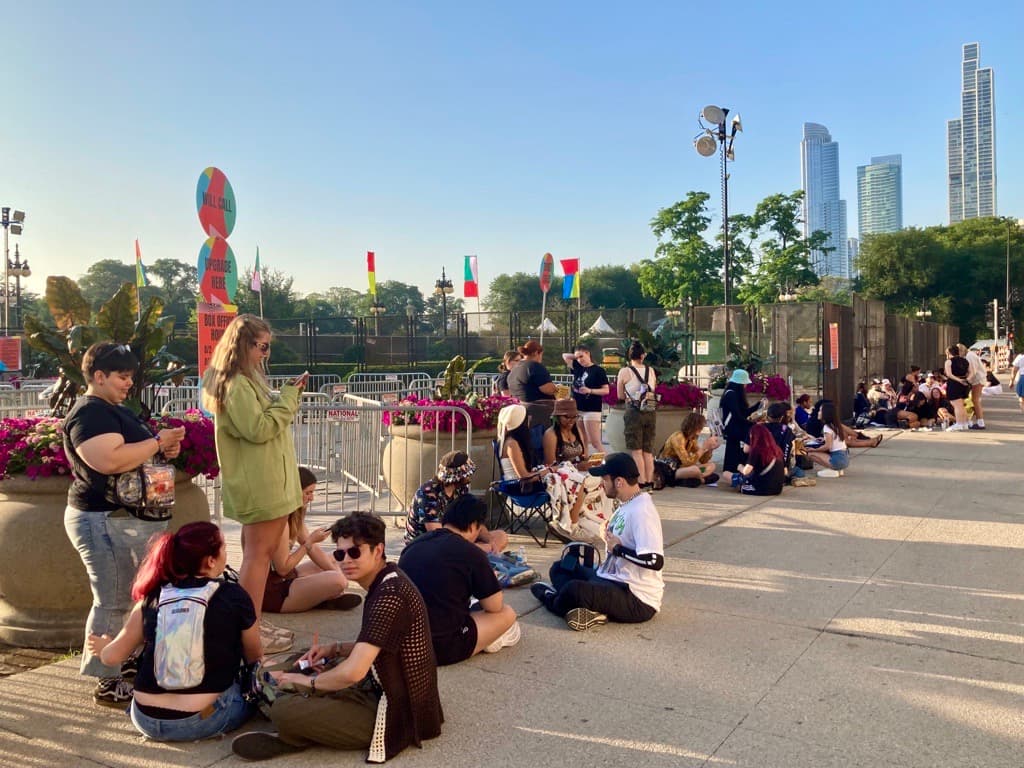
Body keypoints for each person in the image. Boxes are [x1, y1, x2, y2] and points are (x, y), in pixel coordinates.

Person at [231, 512, 443, 763]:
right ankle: (292, 704)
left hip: (395, 711)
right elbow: (383, 645)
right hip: (379, 684)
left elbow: (353, 672)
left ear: (378, 550)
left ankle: (294, 730)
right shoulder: (386, 581)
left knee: (285, 708)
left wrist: (302, 682)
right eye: (340, 554)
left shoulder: (390, 596)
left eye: (355, 552)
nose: (346, 560)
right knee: (306, 659)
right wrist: (335, 649)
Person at [63, 341, 187, 706]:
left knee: (125, 595)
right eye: (121, 376)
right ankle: (106, 679)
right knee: (112, 600)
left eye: (130, 375)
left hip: (121, 518)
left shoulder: (113, 409)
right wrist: (155, 442)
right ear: (98, 376)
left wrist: (165, 446)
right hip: (101, 518)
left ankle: (121, 662)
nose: (128, 382)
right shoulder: (90, 413)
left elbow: (135, 451)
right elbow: (108, 460)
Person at [87, 522, 259, 740]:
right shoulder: (234, 595)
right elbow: (255, 657)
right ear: (211, 560)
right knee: (253, 692)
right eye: (224, 547)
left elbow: (112, 657)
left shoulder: (153, 596)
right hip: (200, 719)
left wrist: (104, 647)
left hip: (144, 718)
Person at [201, 315, 305, 650]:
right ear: (243, 345)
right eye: (261, 346)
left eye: (267, 346)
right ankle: (248, 631)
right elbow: (258, 429)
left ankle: (250, 625)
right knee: (258, 559)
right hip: (263, 485)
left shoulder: (241, 380)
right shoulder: (238, 384)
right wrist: (289, 398)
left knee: (254, 556)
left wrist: (286, 396)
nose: (265, 353)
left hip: (263, 481)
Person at [531, 453, 663, 631]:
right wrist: (606, 535)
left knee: (574, 589)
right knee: (560, 568)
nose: (601, 483)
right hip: (611, 578)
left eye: (604, 479)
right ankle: (589, 610)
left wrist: (618, 549)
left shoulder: (643, 512)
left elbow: (654, 561)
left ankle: (553, 600)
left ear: (619, 482)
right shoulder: (627, 504)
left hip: (637, 598)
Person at [398, 495, 521, 665]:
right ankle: (491, 639)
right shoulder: (471, 552)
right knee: (507, 614)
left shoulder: (413, 546)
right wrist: (490, 580)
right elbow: (494, 606)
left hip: (405, 642)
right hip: (442, 646)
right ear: (472, 526)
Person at [404, 451, 531, 587]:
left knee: (500, 536)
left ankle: (479, 559)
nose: (469, 478)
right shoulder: (428, 494)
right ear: (457, 477)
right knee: (475, 548)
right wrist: (479, 548)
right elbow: (437, 536)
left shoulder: (460, 489)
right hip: (428, 546)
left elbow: (473, 521)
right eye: (466, 475)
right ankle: (481, 563)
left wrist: (489, 540)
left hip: (455, 538)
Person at [263, 466, 361, 614]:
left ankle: (320, 596)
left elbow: (313, 549)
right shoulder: (280, 522)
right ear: (294, 492)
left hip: (284, 580)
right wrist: (310, 542)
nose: (312, 498)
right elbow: (283, 568)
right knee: (337, 581)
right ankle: (320, 599)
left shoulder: (294, 516)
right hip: (275, 593)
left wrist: (333, 570)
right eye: (308, 493)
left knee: (335, 559)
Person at [542, 398, 610, 545]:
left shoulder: (577, 431)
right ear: (557, 417)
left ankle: (597, 516)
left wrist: (591, 462)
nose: (571, 420)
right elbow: (551, 464)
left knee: (606, 476)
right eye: (567, 417)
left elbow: (584, 456)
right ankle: (572, 524)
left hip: (578, 470)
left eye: (574, 416)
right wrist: (578, 467)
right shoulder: (551, 435)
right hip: (561, 473)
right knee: (581, 481)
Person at [615, 341, 658, 488]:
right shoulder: (651, 370)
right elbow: (653, 389)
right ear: (643, 355)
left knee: (637, 451)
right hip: (650, 411)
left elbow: (620, 395)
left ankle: (642, 483)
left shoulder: (625, 372)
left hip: (634, 412)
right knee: (648, 451)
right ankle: (650, 482)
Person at [561, 343, 610, 454]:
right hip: (578, 408)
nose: (579, 360)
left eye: (581, 356)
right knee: (582, 440)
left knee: (595, 441)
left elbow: (606, 390)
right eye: (577, 358)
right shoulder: (578, 367)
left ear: (588, 353)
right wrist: (577, 356)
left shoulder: (598, 370)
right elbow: (565, 356)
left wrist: (590, 391)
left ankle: (608, 462)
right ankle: (585, 459)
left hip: (592, 408)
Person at [657, 411, 720, 488]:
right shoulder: (678, 437)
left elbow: (703, 460)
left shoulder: (691, 439)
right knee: (695, 470)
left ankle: (697, 478)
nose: (701, 429)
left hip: (682, 468)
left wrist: (709, 448)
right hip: (669, 469)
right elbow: (687, 462)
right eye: (700, 427)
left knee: (711, 466)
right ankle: (700, 479)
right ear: (694, 426)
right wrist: (703, 447)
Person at [720, 423, 785, 496]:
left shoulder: (756, 450)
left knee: (726, 474)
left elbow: (746, 471)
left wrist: (739, 467)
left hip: (760, 488)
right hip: (776, 489)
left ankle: (739, 485)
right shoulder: (776, 450)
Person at [497, 403, 550, 488]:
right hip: (517, 488)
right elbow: (524, 477)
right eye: (527, 418)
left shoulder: (514, 441)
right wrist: (550, 470)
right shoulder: (512, 444)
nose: (530, 419)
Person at [720, 369, 763, 473]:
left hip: (734, 426)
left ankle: (733, 467)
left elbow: (743, 413)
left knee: (733, 449)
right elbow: (737, 416)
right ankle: (739, 466)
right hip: (732, 427)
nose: (745, 386)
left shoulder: (732, 394)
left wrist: (757, 406)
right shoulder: (731, 395)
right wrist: (752, 423)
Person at [507, 339, 556, 426]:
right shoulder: (535, 366)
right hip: (537, 413)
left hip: (520, 411)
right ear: (536, 353)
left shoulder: (515, 368)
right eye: (541, 354)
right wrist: (556, 388)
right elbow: (548, 389)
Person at [806, 401, 850, 477]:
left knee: (810, 454)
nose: (818, 412)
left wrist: (814, 450)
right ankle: (838, 469)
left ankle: (833, 469)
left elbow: (828, 446)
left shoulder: (827, 427)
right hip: (844, 458)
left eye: (820, 411)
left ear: (826, 413)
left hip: (837, 459)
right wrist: (823, 439)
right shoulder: (836, 425)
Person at [959, 343, 988, 430]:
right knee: (975, 401)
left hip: (977, 380)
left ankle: (980, 423)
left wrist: (967, 380)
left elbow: (973, 371)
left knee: (975, 400)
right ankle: (980, 421)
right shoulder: (970, 354)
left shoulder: (969, 356)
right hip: (978, 379)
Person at [944, 345, 971, 431]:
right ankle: (965, 423)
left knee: (956, 405)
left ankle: (959, 423)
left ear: (949, 352)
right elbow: (971, 372)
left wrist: (958, 380)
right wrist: (966, 379)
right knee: (961, 405)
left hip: (954, 384)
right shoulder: (965, 361)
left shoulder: (949, 362)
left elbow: (949, 374)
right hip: (964, 383)